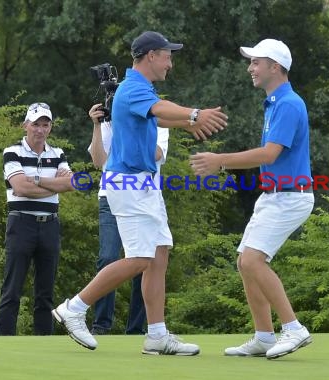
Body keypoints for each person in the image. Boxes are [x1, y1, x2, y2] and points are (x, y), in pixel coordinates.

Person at [52, 31, 228, 354]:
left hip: (144, 185)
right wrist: (193, 115)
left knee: (159, 253)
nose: (170, 63)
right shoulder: (133, 88)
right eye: (167, 56)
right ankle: (74, 308)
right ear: (150, 56)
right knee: (139, 259)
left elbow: (157, 114)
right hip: (128, 184)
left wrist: (187, 123)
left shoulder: (141, 90)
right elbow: (160, 109)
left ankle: (157, 335)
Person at [190, 39, 314, 359]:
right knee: (245, 262)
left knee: (252, 260)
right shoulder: (275, 101)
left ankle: (294, 328)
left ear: (275, 67)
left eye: (256, 62)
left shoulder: (288, 104)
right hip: (274, 196)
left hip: (290, 196)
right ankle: (264, 336)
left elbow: (270, 155)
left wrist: (220, 160)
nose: (250, 68)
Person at [87, 105, 172, 336]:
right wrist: (98, 125)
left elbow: (155, 154)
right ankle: (100, 325)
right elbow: (98, 160)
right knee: (108, 257)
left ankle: (136, 328)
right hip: (111, 195)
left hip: (144, 196)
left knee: (145, 260)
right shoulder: (109, 124)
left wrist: (127, 132)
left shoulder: (156, 121)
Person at [0, 102, 74, 335]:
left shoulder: (57, 153)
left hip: (49, 224)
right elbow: (19, 188)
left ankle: (44, 343)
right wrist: (54, 185)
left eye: (45, 125)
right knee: (12, 289)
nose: (40, 130)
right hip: (21, 223)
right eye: (36, 124)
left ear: (50, 127)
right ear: (25, 125)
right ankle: (3, 341)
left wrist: (36, 181)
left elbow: (71, 183)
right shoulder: (13, 152)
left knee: (45, 292)